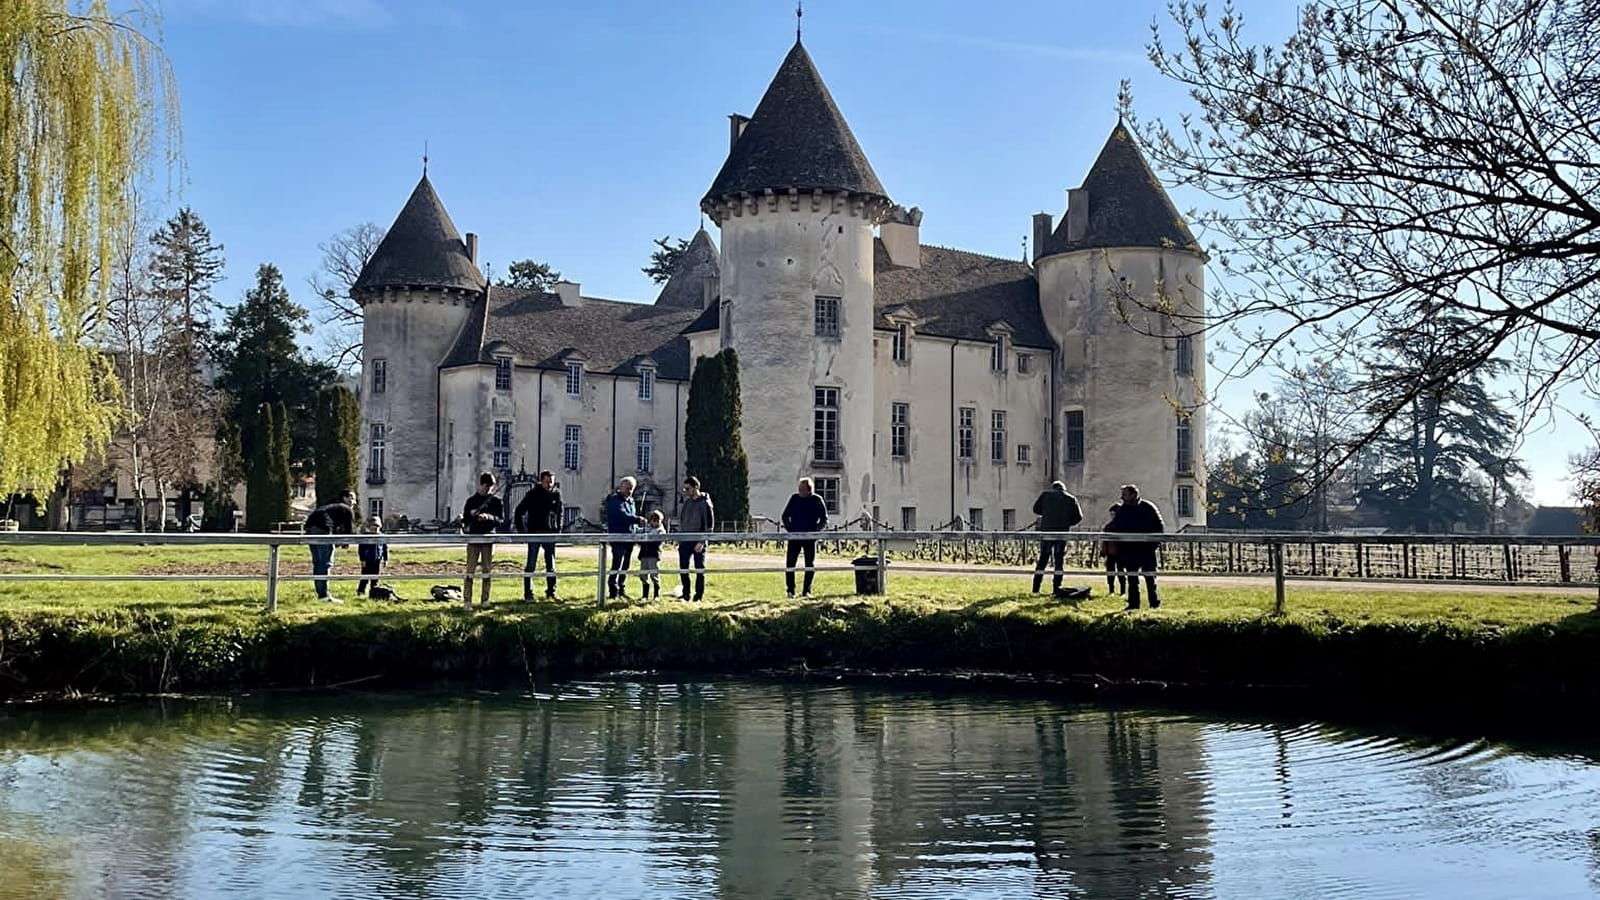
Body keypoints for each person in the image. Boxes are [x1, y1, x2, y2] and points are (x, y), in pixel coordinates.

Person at [1107, 483, 1165, 609]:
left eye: (1124, 495)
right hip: (1129, 551)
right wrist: (1122, 547)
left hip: (1146, 550)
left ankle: (1154, 603)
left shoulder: (1148, 508)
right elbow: (1116, 528)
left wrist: (1152, 545)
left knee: (1150, 577)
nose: (1122, 497)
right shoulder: (1122, 510)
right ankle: (1133, 604)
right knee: (1132, 578)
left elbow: (1159, 528)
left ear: (1133, 495)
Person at [514, 469, 563, 601]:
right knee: (531, 565)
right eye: (547, 482)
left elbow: (560, 513)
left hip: (550, 534)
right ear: (541, 481)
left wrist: (558, 529)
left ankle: (551, 592)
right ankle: (528, 594)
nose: (549, 485)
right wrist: (522, 532)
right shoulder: (532, 494)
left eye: (551, 482)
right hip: (534, 533)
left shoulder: (556, 494)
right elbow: (519, 512)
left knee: (551, 565)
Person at [1031, 480, 1084, 594]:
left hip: (1047, 532)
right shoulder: (1071, 499)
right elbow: (1079, 517)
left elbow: (1036, 509)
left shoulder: (1046, 495)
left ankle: (1036, 588)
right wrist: (1067, 522)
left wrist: (1047, 514)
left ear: (1053, 488)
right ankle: (1057, 587)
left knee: (1043, 559)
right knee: (1059, 560)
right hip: (1062, 532)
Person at [303, 490, 357, 603]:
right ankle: (324, 595)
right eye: (352, 498)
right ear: (345, 498)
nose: (354, 502)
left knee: (318, 563)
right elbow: (349, 530)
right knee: (325, 563)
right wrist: (345, 543)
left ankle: (321, 593)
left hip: (310, 526)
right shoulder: (346, 509)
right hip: (322, 528)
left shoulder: (331, 506)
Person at [781, 477, 829, 598]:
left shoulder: (817, 500)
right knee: (790, 563)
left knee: (809, 564)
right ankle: (790, 590)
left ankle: (806, 591)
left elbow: (824, 519)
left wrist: (815, 531)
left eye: (802, 489)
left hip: (810, 537)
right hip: (795, 536)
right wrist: (790, 530)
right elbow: (785, 516)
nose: (800, 491)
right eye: (799, 488)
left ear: (809, 490)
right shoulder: (794, 499)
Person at [462, 471, 503, 608]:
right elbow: (465, 520)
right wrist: (471, 514)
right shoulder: (471, 501)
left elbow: (500, 520)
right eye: (487, 486)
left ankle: (485, 600)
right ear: (481, 485)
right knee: (470, 570)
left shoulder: (496, 502)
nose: (489, 489)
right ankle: (467, 601)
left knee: (487, 570)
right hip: (473, 538)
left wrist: (488, 517)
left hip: (488, 538)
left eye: (491, 487)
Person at [604, 476, 648, 599]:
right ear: (621, 487)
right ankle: (613, 590)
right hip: (618, 537)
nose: (630, 491)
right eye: (627, 488)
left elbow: (631, 518)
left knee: (625, 565)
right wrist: (637, 519)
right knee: (617, 564)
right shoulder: (614, 501)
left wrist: (638, 529)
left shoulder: (631, 501)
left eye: (632, 488)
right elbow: (622, 516)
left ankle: (621, 589)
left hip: (630, 538)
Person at [676, 476, 715, 601]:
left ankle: (698, 596)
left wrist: (702, 541)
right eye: (685, 489)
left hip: (698, 541)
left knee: (699, 569)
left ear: (696, 487)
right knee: (683, 568)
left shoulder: (705, 503)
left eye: (688, 489)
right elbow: (683, 521)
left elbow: (709, 525)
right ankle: (686, 593)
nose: (686, 491)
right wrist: (680, 539)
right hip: (685, 540)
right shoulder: (687, 503)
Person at [636, 509, 667, 600]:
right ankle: (645, 595)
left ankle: (656, 595)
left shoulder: (660, 531)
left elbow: (659, 541)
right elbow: (640, 540)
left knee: (654, 575)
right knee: (643, 575)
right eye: (653, 520)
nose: (654, 523)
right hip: (644, 554)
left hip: (654, 555)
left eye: (657, 521)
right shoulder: (647, 529)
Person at [356, 515, 388, 597]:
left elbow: (385, 548)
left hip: (377, 560)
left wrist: (385, 559)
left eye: (377, 527)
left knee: (375, 578)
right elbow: (361, 549)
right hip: (367, 560)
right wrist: (362, 559)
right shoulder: (366, 537)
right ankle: (360, 591)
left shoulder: (381, 536)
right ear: (369, 527)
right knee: (365, 577)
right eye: (373, 527)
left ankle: (374, 592)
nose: (375, 529)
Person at [1099, 503, 1125, 596]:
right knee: (1110, 572)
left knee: (1121, 572)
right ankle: (1111, 590)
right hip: (1111, 552)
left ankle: (1123, 591)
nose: (1112, 516)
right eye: (1111, 514)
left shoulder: (1123, 526)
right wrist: (1103, 552)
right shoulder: (1108, 527)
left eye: (1113, 514)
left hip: (1121, 552)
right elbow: (1105, 541)